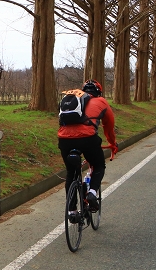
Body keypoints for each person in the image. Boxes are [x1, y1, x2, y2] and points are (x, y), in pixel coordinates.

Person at [58, 79, 117, 212]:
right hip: (88, 139)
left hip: (64, 139)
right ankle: (91, 193)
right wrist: (112, 144)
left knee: (71, 173)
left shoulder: (73, 99)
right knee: (99, 166)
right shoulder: (101, 102)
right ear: (99, 92)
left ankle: (71, 211)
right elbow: (109, 126)